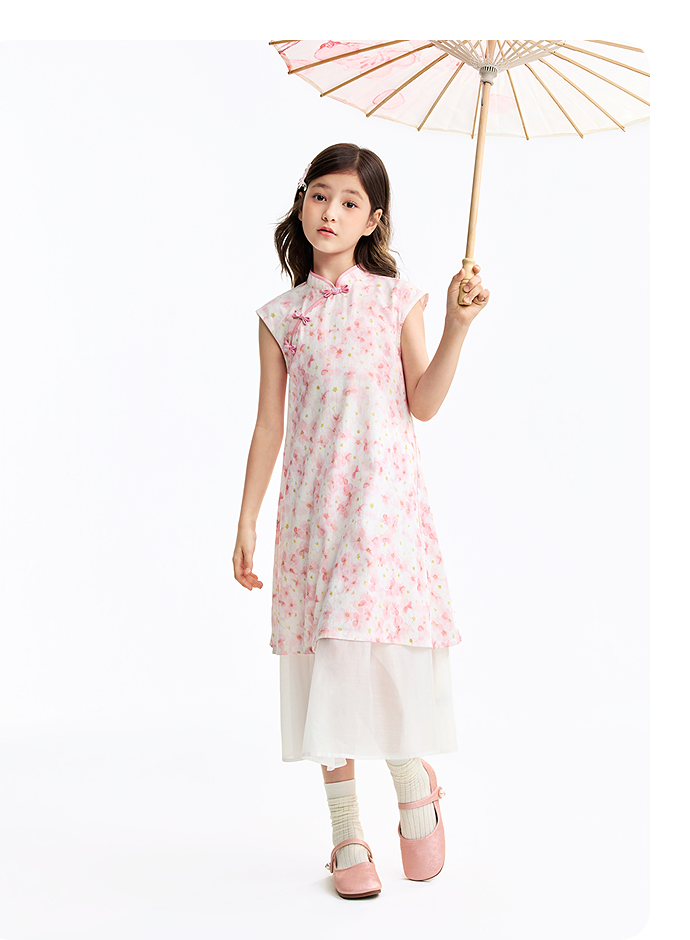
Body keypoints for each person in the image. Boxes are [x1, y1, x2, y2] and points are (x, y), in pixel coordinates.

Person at [233, 142, 490, 899]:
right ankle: (347, 832)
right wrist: (246, 518)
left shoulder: (395, 300)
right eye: (320, 195)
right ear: (301, 202)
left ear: (373, 220)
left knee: (364, 652)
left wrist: (457, 325)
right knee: (326, 662)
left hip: (382, 504)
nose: (330, 212)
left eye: (350, 202)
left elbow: (424, 402)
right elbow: (269, 425)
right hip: (312, 512)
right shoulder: (281, 317)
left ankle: (413, 786)